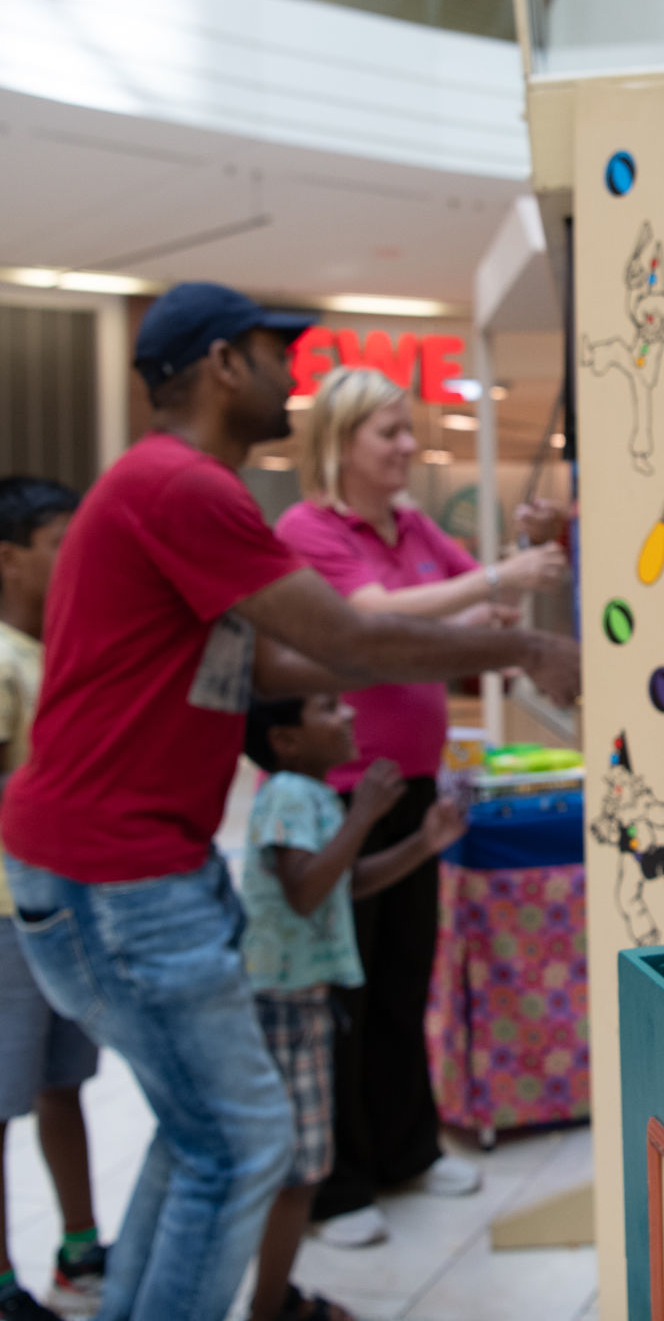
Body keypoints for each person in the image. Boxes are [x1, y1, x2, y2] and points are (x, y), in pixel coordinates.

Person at [0, 283, 580, 1321]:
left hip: (116, 864)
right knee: (244, 1142)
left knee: (204, 1134)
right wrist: (524, 646)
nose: (294, 377)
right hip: (118, 872)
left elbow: (278, 658)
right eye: (281, 354)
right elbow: (348, 639)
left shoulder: (167, 486)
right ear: (223, 363)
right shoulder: (184, 486)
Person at [275, 366, 569, 1246]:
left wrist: (519, 559)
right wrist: (494, 579)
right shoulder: (308, 531)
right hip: (340, 798)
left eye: (410, 431)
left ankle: (406, 1150)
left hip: (413, 787)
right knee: (345, 994)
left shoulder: (410, 528)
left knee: (406, 978)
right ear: (341, 441)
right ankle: (338, 1185)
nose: (409, 448)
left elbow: (484, 609)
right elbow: (371, 620)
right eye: (390, 434)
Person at [239, 693, 466, 1321]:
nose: (348, 716)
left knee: (300, 1162)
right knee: (300, 1167)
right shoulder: (289, 793)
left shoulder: (308, 796)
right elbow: (308, 892)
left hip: (304, 998)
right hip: (285, 1002)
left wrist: (424, 842)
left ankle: (274, 1298)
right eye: (325, 709)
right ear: (285, 739)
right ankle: (271, 1303)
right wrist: (363, 814)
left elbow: (349, 881)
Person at [0, 479, 108, 1321]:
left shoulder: (64, 651)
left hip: (65, 909)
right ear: (10, 559)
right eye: (59, 544)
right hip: (7, 915)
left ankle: (80, 1248)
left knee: (63, 1083)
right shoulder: (3, 658)